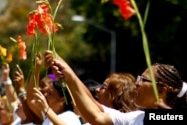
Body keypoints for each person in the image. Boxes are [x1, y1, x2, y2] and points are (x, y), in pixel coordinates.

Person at [44, 50, 187, 125]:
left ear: (161, 91)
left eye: (143, 80)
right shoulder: (137, 118)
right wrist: (68, 75)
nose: (137, 83)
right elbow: (96, 116)